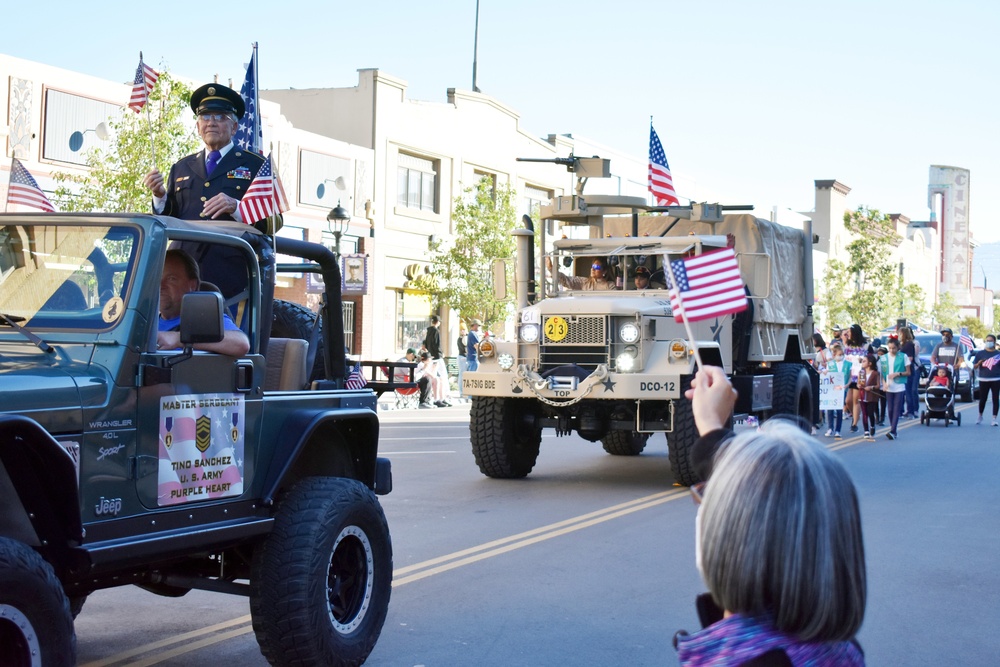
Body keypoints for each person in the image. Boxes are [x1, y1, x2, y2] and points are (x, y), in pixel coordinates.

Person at [675, 366, 866, 665]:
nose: (704, 505)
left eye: (708, 497)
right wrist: (711, 427)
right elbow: (774, 488)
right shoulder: (840, 650)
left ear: (733, 542)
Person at [143, 83, 266, 301]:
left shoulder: (255, 165)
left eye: (220, 117)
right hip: (180, 276)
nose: (211, 123)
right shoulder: (181, 167)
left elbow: (274, 223)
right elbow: (170, 220)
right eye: (205, 117)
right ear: (198, 126)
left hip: (231, 277)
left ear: (235, 127)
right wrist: (160, 196)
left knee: (228, 335)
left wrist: (237, 207)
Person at [156, 249, 249, 356]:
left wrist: (179, 339)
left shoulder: (206, 319)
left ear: (193, 285)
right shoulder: (146, 322)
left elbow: (241, 344)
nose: (161, 286)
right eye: (157, 278)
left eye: (171, 279)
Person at [840, 324, 870, 433]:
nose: (848, 334)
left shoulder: (865, 346)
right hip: (850, 375)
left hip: (860, 375)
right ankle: (855, 413)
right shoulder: (848, 346)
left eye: (850, 331)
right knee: (848, 401)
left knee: (855, 399)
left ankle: (854, 424)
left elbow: (871, 359)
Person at [878, 337, 910, 440]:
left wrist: (898, 373)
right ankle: (894, 430)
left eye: (894, 348)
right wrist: (883, 383)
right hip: (889, 386)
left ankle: (893, 430)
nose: (892, 350)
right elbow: (882, 373)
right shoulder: (884, 358)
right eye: (890, 348)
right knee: (890, 409)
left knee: (896, 409)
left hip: (899, 385)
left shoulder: (903, 357)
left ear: (898, 347)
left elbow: (908, 372)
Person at [971, 334, 1000, 426]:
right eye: (987, 340)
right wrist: (979, 363)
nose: (988, 342)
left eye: (990, 341)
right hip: (983, 378)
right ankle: (980, 416)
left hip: (996, 378)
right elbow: (974, 366)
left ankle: (994, 418)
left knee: (995, 399)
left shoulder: (998, 354)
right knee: (983, 398)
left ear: (994, 342)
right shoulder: (980, 353)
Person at [824, 341, 850, 440]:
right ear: (834, 355)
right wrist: (825, 372)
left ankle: (838, 429)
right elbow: (827, 374)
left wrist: (847, 385)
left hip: (842, 389)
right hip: (832, 389)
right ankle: (830, 428)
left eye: (842, 354)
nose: (841, 356)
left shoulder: (847, 364)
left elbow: (850, 376)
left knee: (839, 409)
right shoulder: (830, 364)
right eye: (839, 355)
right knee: (830, 408)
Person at [423, 315, 450, 406]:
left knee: (436, 378)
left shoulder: (428, 331)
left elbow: (426, 344)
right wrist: (440, 353)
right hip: (437, 357)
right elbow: (437, 344)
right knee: (443, 377)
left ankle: (439, 398)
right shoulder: (436, 331)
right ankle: (442, 398)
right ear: (438, 322)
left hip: (431, 357)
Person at [546, 256, 612, 291]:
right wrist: (551, 269)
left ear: (604, 271)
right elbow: (566, 280)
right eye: (592, 266)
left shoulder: (610, 286)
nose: (593, 269)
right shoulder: (584, 282)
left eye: (596, 267)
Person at [897, 326, 920, 418]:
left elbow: (910, 358)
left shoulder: (909, 344)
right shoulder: (901, 344)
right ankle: (901, 411)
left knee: (908, 391)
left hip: (908, 370)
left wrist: (900, 362)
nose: (899, 335)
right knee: (902, 391)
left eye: (900, 333)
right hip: (901, 370)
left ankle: (911, 411)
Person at [858, 354, 881, 441]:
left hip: (871, 397)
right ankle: (866, 430)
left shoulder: (875, 373)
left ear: (870, 363)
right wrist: (858, 385)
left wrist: (871, 387)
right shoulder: (861, 372)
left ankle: (872, 426)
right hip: (862, 395)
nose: (862, 363)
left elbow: (878, 385)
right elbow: (858, 383)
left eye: (864, 361)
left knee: (870, 412)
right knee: (864, 413)